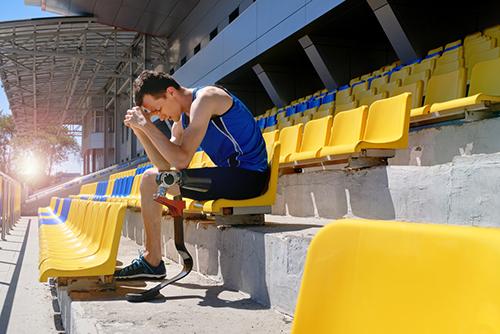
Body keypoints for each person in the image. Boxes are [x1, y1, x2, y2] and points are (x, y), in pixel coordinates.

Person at [114, 70, 269, 279]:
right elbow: (164, 165)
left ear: (170, 92)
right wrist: (140, 131)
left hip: (250, 177)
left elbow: (181, 160)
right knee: (150, 178)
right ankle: (153, 261)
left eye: (158, 109)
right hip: (230, 175)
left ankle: (152, 261)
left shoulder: (206, 98)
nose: (160, 116)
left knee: (151, 179)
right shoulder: (181, 121)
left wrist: (147, 125)